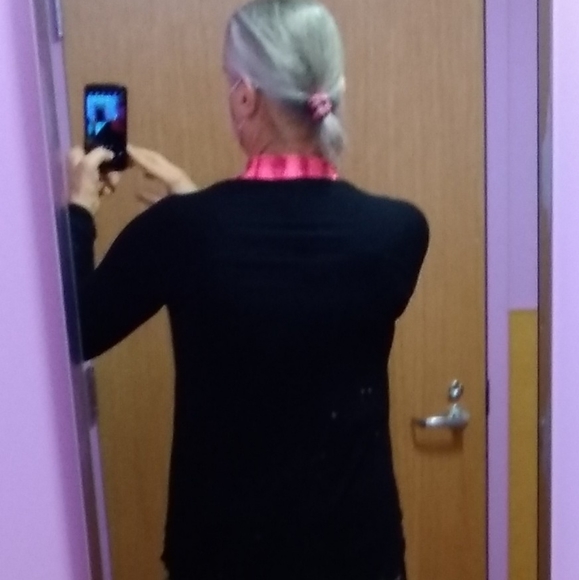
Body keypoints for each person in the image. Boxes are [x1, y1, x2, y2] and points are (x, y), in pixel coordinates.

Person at [68, 1, 429, 579]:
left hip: (222, 557)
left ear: (245, 97)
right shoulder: (400, 232)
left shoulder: (183, 234)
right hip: (358, 554)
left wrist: (80, 210)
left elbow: (77, 329)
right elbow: (286, 288)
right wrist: (199, 214)